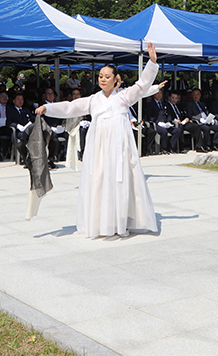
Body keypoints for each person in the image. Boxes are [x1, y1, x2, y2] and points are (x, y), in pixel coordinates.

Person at [35, 42, 160, 238]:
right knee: (100, 181)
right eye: (100, 76)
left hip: (120, 147)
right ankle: (101, 221)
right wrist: (47, 108)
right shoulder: (93, 99)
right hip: (99, 149)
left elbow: (142, 85)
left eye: (107, 76)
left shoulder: (125, 97)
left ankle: (122, 221)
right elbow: (70, 107)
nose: (102, 79)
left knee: (121, 181)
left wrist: (151, 63)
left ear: (115, 79)